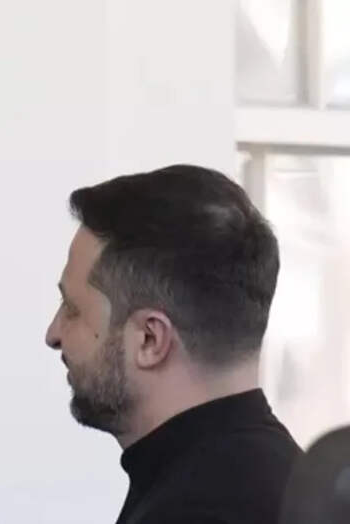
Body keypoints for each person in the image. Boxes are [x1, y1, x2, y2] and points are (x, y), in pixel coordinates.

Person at [45, 164, 302, 524]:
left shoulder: (191, 510)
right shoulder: (286, 481)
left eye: (72, 309)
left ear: (150, 339)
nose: (52, 334)